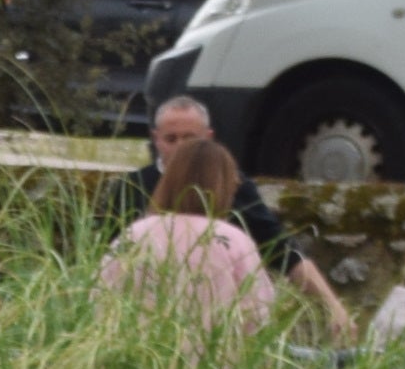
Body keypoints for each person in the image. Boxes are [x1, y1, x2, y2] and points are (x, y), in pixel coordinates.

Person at [108, 91, 355, 337]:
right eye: (171, 139)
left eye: (189, 139)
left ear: (208, 138)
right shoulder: (133, 187)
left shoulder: (237, 188)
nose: (181, 149)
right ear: (156, 139)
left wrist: (332, 305)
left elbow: (282, 250)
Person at [102, 135, 283, 327]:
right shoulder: (233, 240)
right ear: (223, 185)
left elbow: (101, 296)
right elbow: (257, 312)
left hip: (137, 351)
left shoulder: (136, 234)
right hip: (214, 354)